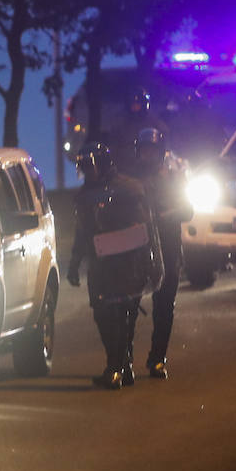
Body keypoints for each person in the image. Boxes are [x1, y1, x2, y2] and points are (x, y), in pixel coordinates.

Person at [65, 145, 160, 390]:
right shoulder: (87, 195)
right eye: (83, 167)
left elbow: (147, 228)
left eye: (90, 166)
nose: (86, 172)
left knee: (123, 314)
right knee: (106, 313)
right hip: (103, 264)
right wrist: (74, 263)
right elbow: (82, 232)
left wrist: (154, 262)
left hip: (128, 262)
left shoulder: (130, 189)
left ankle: (117, 367)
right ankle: (121, 364)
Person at [128, 129, 194, 379]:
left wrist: (163, 217)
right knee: (129, 306)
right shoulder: (130, 181)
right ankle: (123, 359)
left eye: (153, 151)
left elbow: (188, 210)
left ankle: (157, 359)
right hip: (138, 251)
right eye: (145, 150)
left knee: (164, 307)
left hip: (167, 248)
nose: (149, 155)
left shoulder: (174, 179)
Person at [103, 87, 170, 168]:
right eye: (133, 104)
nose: (135, 107)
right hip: (126, 169)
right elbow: (113, 147)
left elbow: (165, 141)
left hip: (150, 168)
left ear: (144, 104)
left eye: (138, 104)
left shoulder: (155, 123)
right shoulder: (120, 124)